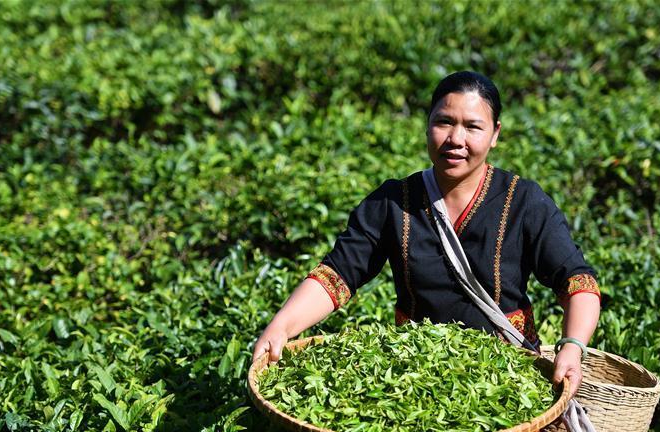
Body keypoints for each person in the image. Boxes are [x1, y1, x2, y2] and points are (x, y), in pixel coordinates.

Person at [252, 71, 600, 397]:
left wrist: (573, 347)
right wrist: (282, 326)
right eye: (444, 122)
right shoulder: (392, 202)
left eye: (473, 127)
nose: (456, 139)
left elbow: (577, 282)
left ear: (495, 134)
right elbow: (337, 274)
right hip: (418, 379)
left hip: (506, 379)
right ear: (427, 125)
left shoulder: (523, 200)